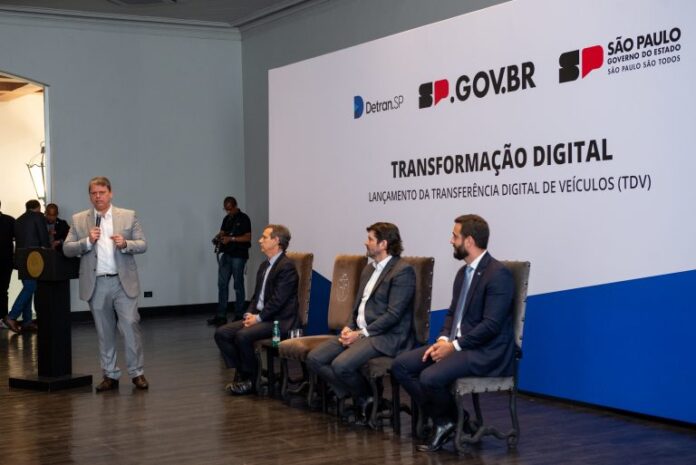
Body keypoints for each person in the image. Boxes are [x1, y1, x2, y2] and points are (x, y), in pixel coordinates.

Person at [391, 214, 514, 452]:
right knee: (401, 366)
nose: (451, 241)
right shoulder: (463, 273)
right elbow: (452, 314)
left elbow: (491, 326)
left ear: (469, 241)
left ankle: (445, 421)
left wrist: (454, 347)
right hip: (459, 345)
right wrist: (443, 339)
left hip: (486, 351)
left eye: (455, 236)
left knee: (429, 377)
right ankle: (452, 419)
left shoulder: (498, 274)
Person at [306, 222, 416, 424]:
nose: (366, 243)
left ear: (383, 244)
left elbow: (394, 315)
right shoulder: (368, 269)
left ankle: (364, 398)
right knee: (315, 358)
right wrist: (349, 326)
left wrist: (361, 333)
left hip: (386, 336)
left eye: (370, 239)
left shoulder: (402, 271)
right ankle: (365, 396)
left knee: (341, 365)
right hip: (360, 332)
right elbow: (357, 306)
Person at [63, 177, 149, 392]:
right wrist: (86, 241)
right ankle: (110, 374)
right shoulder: (79, 219)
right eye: (93, 193)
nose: (98, 196)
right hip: (97, 283)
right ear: (89, 196)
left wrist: (126, 243)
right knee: (104, 331)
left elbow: (142, 244)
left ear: (110, 193)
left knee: (130, 326)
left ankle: (137, 372)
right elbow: (67, 248)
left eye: (101, 192)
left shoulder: (128, 216)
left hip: (123, 282)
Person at [214, 224, 298, 396]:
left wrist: (258, 318)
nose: (260, 240)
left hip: (278, 322)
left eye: (264, 237)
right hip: (261, 317)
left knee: (242, 335)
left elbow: (278, 301)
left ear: (276, 241)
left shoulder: (286, 267)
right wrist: (249, 314)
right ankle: (245, 371)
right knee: (222, 333)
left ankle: (251, 381)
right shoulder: (264, 265)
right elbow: (256, 297)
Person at [5, 199, 49, 333]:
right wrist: (47, 250)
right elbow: (43, 237)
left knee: (28, 286)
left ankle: (27, 321)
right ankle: (12, 316)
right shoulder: (38, 216)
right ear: (38, 208)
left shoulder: (18, 220)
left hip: (21, 258)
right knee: (31, 287)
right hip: (34, 258)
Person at [208, 196, 252, 327]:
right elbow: (222, 232)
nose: (228, 212)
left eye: (230, 209)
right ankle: (221, 315)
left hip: (239, 255)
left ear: (235, 206)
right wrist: (217, 237)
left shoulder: (244, 218)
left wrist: (231, 239)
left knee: (238, 285)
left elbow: (248, 237)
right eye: (226, 209)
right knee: (222, 284)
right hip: (226, 254)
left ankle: (239, 314)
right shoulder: (226, 219)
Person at [0, 201, 16, 330]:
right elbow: (17, 237)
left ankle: (2, 318)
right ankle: (3, 318)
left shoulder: (9, 220)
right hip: (6, 261)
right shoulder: (9, 220)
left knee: (3, 290)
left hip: (6, 261)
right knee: (3, 290)